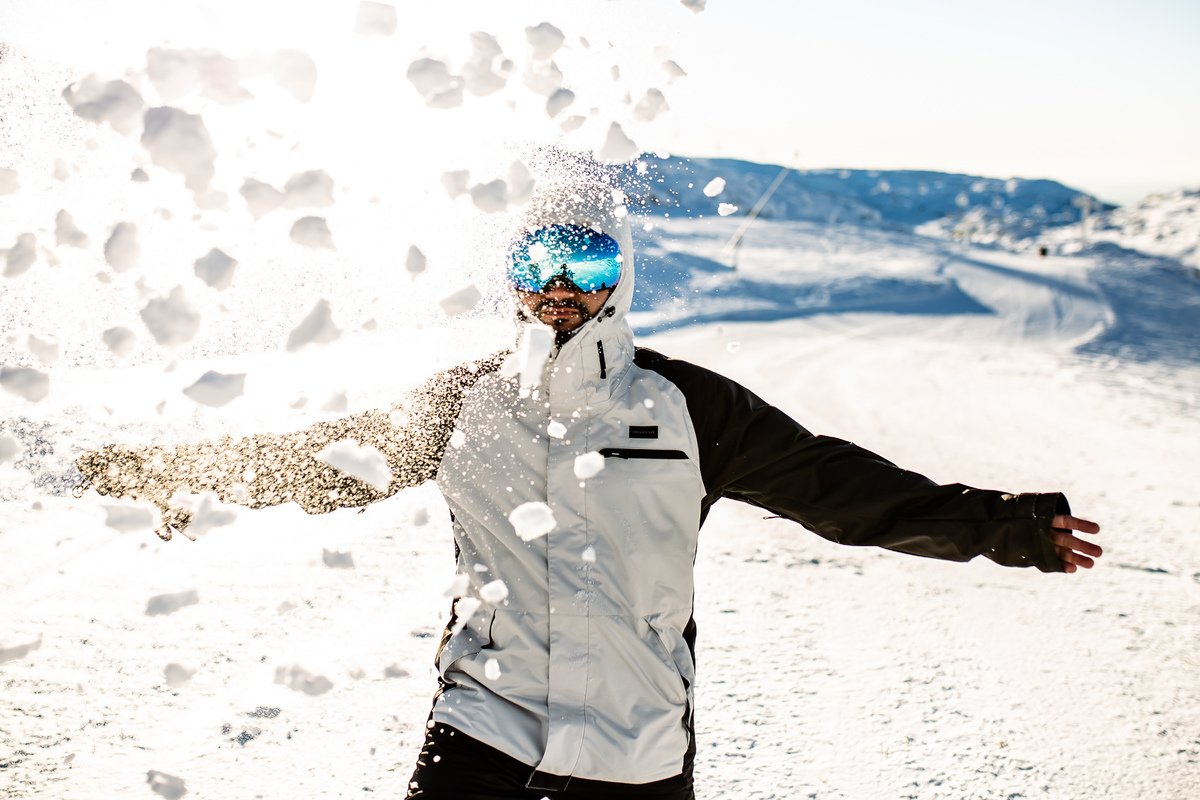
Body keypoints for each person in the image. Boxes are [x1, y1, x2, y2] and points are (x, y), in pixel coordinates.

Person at [76, 178, 1102, 800]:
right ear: (512, 274)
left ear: (621, 273)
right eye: (540, 258)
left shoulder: (691, 406)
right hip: (483, 727)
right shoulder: (462, 403)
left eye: (588, 256)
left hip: (637, 749)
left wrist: (1006, 526)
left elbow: (842, 487)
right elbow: (322, 460)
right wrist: (169, 473)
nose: (562, 281)